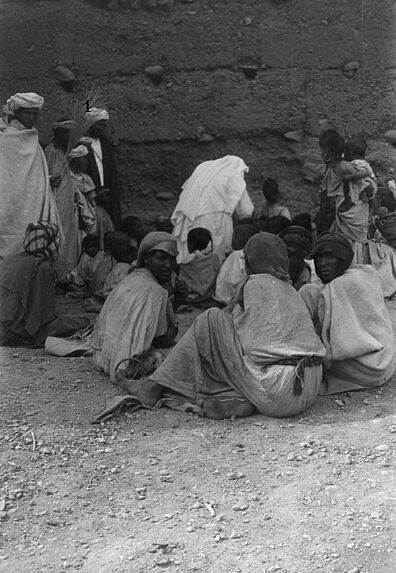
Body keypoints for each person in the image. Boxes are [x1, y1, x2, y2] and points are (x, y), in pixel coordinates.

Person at [117, 233, 325, 419]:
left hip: (279, 390)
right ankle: (240, 399)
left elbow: (231, 339)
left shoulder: (252, 283)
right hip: (310, 384)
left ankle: (152, 388)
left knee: (211, 318)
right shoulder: (291, 290)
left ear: (250, 262)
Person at [300, 233, 395, 394]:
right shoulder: (365, 274)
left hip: (367, 366)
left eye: (330, 257)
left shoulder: (340, 285)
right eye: (318, 258)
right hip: (384, 364)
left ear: (343, 259)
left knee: (308, 292)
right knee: (310, 292)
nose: (323, 264)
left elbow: (342, 345)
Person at [90, 231, 179, 379]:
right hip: (126, 364)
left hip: (103, 357)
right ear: (147, 259)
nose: (169, 265)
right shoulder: (156, 291)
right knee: (185, 355)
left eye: (172, 259)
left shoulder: (132, 277)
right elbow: (160, 339)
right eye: (162, 258)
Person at [0, 221, 88, 347]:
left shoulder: (13, 259)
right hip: (17, 333)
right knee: (82, 323)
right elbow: (42, 317)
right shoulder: (43, 267)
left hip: (3, 328)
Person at [0, 92, 61, 262]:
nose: (33, 118)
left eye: (36, 113)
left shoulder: (33, 140)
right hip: (8, 203)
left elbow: (34, 174)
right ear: (17, 112)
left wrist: (46, 180)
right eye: (28, 113)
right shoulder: (4, 140)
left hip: (30, 202)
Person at [171, 155, 254, 262]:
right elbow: (246, 211)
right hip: (217, 221)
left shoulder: (204, 171)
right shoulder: (232, 173)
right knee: (216, 256)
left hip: (190, 219)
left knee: (190, 257)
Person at [315, 129, 369, 243]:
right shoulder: (330, 167)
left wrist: (349, 179)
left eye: (322, 150)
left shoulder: (343, 166)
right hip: (331, 210)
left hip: (341, 212)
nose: (320, 153)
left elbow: (364, 177)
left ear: (327, 151)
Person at [45, 119, 81, 282]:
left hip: (65, 204)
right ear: (59, 134)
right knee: (56, 237)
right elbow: (40, 176)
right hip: (55, 204)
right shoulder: (50, 151)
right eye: (67, 134)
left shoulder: (62, 152)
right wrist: (49, 180)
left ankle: (63, 276)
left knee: (66, 238)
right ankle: (55, 276)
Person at [69, 144, 114, 250]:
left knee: (102, 215)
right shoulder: (68, 178)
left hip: (91, 212)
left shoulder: (86, 178)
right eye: (84, 159)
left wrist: (99, 197)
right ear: (75, 161)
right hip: (77, 214)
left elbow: (92, 200)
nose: (86, 162)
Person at [84, 107, 121, 229]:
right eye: (99, 124)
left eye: (103, 125)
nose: (101, 128)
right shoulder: (80, 144)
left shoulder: (106, 145)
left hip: (107, 193)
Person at [214, 223, 257, 306]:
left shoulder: (237, 255)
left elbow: (232, 281)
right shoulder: (248, 255)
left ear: (238, 239)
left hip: (228, 300)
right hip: (232, 301)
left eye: (233, 236)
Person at [178, 228, 221, 304]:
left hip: (189, 300)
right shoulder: (215, 259)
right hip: (209, 298)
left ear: (190, 244)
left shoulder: (186, 263)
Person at [279, 225, 312, 290]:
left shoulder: (309, 274)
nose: (289, 260)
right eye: (287, 254)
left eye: (295, 255)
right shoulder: (272, 270)